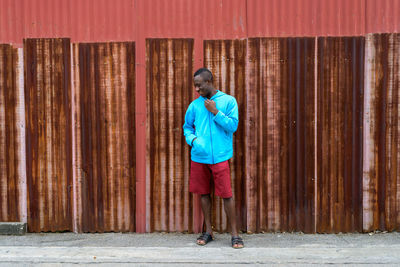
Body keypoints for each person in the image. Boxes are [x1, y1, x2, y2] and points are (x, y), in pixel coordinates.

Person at [183, 68, 244, 249]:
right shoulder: (194, 105)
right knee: (203, 193)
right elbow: (187, 127)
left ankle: (235, 234)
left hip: (220, 156)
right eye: (195, 85)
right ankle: (208, 231)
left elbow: (233, 126)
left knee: (226, 194)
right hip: (199, 156)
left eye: (199, 85)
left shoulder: (228, 101)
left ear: (209, 81)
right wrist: (193, 140)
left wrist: (215, 112)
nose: (197, 89)